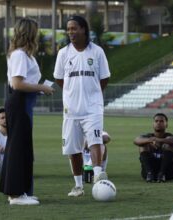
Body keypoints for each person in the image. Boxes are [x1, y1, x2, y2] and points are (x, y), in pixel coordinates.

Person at [0, 18, 54, 205]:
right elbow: (17, 83)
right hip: (19, 102)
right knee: (18, 148)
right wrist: (41, 87)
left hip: (24, 102)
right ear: (29, 33)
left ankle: (21, 191)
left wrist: (39, 88)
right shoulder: (20, 55)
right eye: (35, 31)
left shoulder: (24, 54)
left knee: (22, 148)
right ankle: (15, 195)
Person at [53, 15, 111, 197]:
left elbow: (105, 78)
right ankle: (78, 186)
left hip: (93, 107)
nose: (71, 32)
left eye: (74, 28)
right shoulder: (63, 53)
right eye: (68, 29)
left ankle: (97, 174)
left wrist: (92, 94)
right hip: (71, 110)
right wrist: (72, 93)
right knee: (73, 149)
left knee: (95, 139)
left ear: (84, 29)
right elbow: (58, 78)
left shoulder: (97, 52)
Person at [133, 113, 173, 182]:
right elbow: (136, 141)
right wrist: (150, 140)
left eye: (161, 121)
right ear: (153, 124)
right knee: (143, 144)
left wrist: (159, 140)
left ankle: (161, 174)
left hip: (168, 173)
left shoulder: (171, 136)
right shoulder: (148, 136)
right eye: (156, 121)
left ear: (166, 125)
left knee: (170, 143)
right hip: (149, 171)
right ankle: (149, 174)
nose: (158, 123)